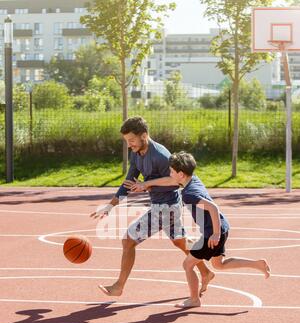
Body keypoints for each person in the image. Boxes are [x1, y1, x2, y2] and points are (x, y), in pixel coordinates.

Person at [128, 151, 271, 308]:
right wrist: (148, 184)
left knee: (187, 265)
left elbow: (213, 208)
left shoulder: (189, 194)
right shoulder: (192, 180)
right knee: (219, 264)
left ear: (181, 174)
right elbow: (170, 182)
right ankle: (257, 264)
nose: (169, 173)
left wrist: (215, 234)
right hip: (221, 227)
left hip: (212, 233)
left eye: (171, 171)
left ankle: (194, 300)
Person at [90, 117, 214, 297]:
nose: (129, 145)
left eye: (132, 140)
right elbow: (129, 182)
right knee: (180, 241)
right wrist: (110, 206)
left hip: (166, 207)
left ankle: (119, 286)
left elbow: (176, 181)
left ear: (144, 136)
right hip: (166, 207)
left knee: (128, 240)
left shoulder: (161, 156)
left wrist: (147, 184)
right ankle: (206, 272)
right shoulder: (136, 153)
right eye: (126, 141)